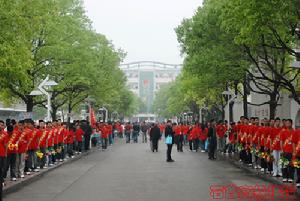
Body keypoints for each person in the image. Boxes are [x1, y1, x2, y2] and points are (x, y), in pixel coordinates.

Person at [0, 120, 8, 201]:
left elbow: (6, 145)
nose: (0, 126)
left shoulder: (5, 134)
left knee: (1, 171)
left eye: (2, 125)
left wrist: (5, 155)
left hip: (1, 156)